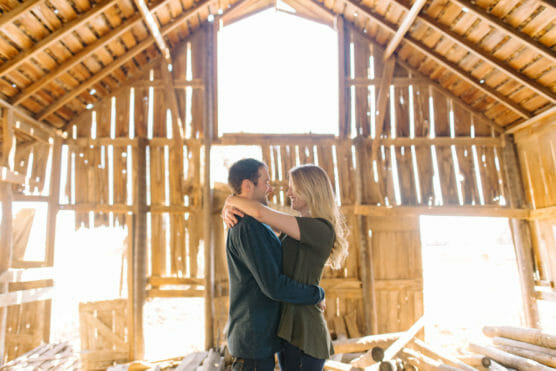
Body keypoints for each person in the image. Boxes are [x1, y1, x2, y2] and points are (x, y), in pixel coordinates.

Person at [223, 163, 349, 371]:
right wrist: (231, 204)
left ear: (310, 189)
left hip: (305, 329)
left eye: (293, 187)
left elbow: (262, 214)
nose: (286, 192)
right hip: (286, 330)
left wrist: (231, 200)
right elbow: (260, 217)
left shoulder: (320, 229)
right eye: (268, 183)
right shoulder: (291, 227)